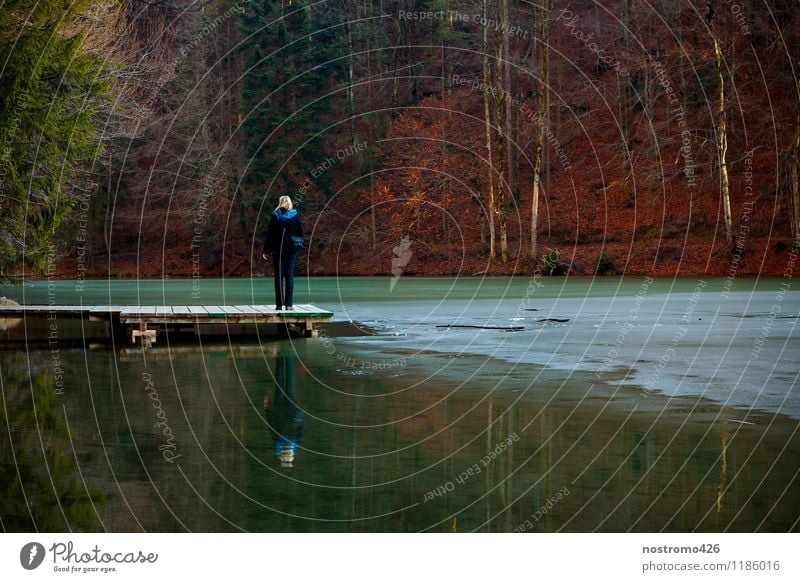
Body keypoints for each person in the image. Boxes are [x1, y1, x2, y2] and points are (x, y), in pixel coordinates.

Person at [262, 196, 304, 310]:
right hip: (291, 250)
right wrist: (297, 246)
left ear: (280, 203)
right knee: (289, 276)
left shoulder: (275, 215)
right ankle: (289, 305)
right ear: (290, 203)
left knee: (279, 277)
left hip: (277, 250)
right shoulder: (295, 215)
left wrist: (266, 250)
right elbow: (301, 232)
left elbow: (270, 234)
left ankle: (279, 305)